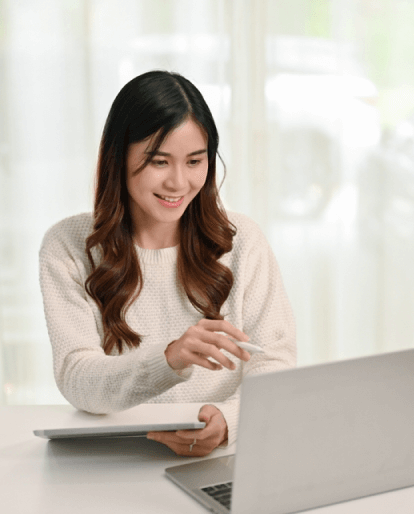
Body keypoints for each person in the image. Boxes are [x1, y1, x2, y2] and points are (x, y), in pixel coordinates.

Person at [39, 70, 296, 457]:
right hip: (112, 459)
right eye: (159, 162)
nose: (179, 182)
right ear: (118, 157)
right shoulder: (69, 246)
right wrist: (168, 359)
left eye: (195, 161)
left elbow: (275, 360)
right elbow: (77, 378)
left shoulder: (242, 240)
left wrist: (230, 422)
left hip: (222, 457)